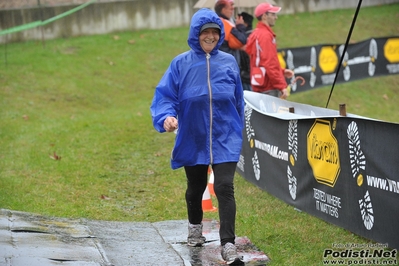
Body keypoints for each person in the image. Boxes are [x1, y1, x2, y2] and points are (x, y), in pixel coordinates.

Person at [150, 8, 244, 265]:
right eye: (206, 32)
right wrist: (166, 117)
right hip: (194, 135)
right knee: (196, 187)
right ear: (196, 34)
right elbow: (165, 97)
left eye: (215, 32)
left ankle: (228, 245)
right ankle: (195, 227)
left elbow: (239, 101)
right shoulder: (180, 64)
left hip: (225, 136)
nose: (211, 36)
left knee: (225, 187)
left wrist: (239, 131)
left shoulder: (228, 62)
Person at [245, 3, 294, 99]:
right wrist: (282, 86)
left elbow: (262, 61)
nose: (276, 17)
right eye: (273, 14)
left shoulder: (256, 33)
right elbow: (269, 63)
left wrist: (282, 71)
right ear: (264, 16)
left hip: (260, 85)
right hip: (268, 87)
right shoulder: (265, 36)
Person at [214, 0, 249, 90]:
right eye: (231, 6)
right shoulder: (224, 23)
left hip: (223, 67)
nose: (233, 9)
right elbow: (242, 40)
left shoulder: (219, 22)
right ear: (223, 9)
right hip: (228, 69)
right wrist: (240, 26)